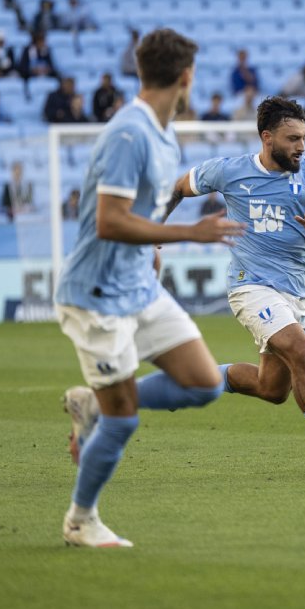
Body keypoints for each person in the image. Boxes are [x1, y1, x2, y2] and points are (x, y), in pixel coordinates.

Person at [53, 27, 245, 548]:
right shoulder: (129, 133)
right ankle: (80, 520)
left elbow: (141, 212)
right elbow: (110, 220)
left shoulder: (164, 133)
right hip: (96, 295)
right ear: (185, 77)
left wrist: (154, 242)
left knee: (203, 383)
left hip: (137, 283)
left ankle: (95, 403)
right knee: (123, 421)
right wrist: (187, 233)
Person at [162, 95, 305, 474]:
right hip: (250, 286)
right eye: (293, 138)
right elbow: (178, 187)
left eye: (304, 137)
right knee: (302, 353)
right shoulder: (229, 171)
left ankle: (194, 377)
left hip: (294, 292)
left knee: (272, 389)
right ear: (267, 137)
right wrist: (154, 231)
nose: (301, 146)